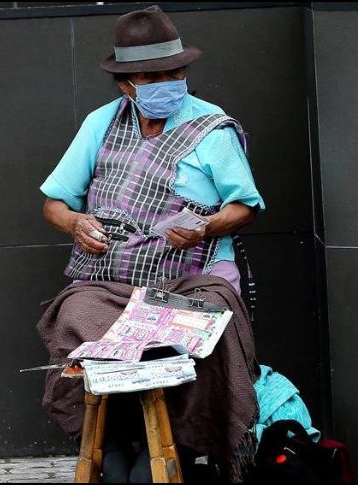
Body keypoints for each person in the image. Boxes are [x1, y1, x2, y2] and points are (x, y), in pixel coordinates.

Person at [36, 5, 265, 482]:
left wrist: (205, 227)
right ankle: (115, 439)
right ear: (126, 84)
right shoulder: (101, 123)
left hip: (191, 279)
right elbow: (54, 203)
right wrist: (76, 224)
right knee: (77, 318)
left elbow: (245, 206)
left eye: (174, 73)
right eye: (151, 76)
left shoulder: (213, 127)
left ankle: (179, 444)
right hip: (109, 280)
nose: (167, 82)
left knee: (203, 332)